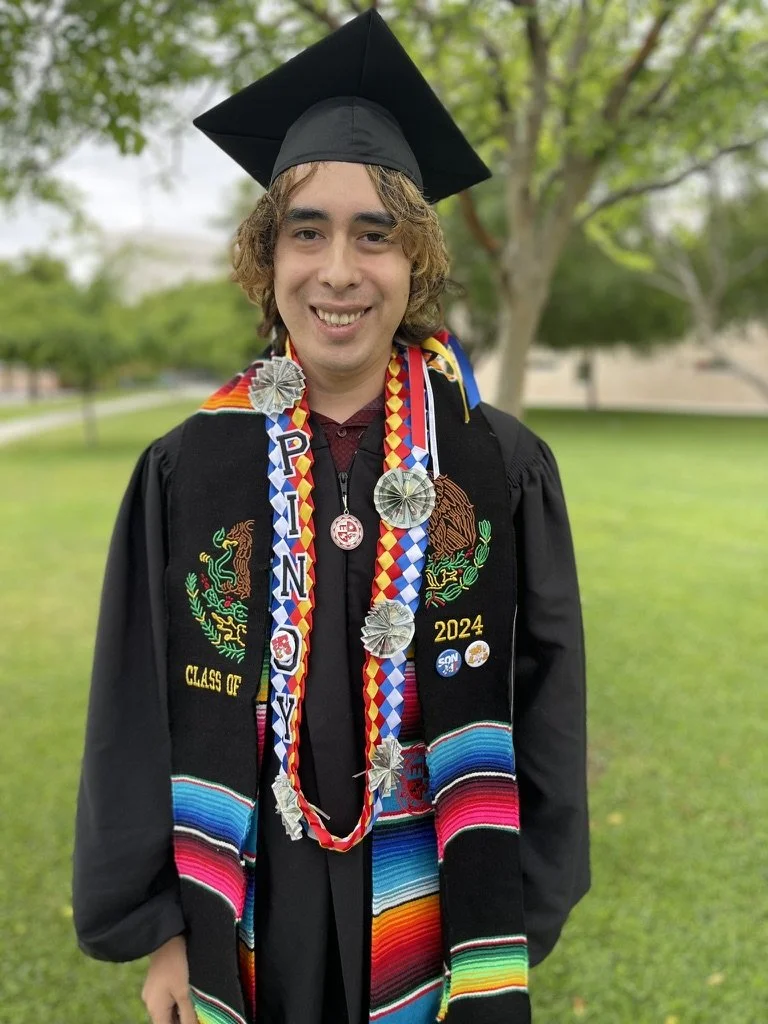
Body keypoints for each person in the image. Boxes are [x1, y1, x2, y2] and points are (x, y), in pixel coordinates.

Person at [72, 10, 590, 1024]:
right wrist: (165, 929)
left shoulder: (493, 460)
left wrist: (519, 900)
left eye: (376, 235)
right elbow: (131, 708)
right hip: (249, 895)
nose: (340, 271)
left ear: (418, 263)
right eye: (306, 232)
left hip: (443, 896)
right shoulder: (189, 465)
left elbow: (550, 693)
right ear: (267, 258)